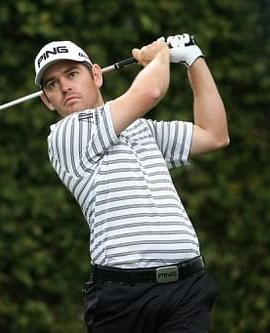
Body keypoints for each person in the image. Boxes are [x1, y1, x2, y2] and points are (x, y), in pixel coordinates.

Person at [33, 34, 229, 332]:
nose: (64, 87)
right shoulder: (65, 135)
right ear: (48, 101)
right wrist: (161, 53)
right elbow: (150, 90)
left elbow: (214, 134)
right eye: (52, 84)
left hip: (186, 289)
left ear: (96, 75)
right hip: (123, 298)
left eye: (72, 74)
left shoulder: (142, 130)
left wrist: (193, 59)